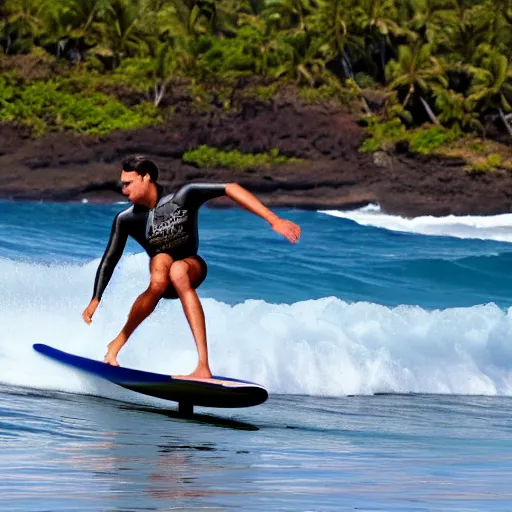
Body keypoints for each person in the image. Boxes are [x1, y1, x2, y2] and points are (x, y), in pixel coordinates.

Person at [82, 156, 301, 379]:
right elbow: (110, 258)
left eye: (128, 183)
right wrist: (96, 297)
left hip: (190, 268)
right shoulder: (126, 218)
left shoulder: (184, 196)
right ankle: (116, 345)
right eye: (122, 184)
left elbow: (230, 187)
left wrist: (274, 220)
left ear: (145, 178)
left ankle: (203, 366)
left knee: (177, 269)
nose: (123, 189)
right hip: (161, 280)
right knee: (160, 261)